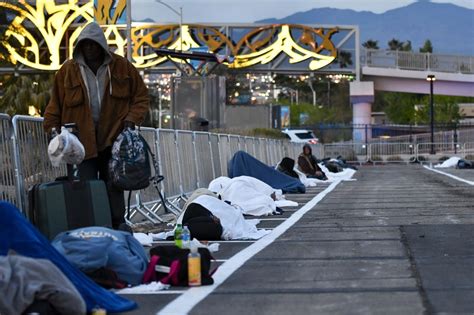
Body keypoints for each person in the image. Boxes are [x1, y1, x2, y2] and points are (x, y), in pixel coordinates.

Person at [43, 22, 150, 228]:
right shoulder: (68, 71)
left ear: (101, 46)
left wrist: (130, 120)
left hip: (114, 140)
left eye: (93, 45)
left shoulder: (122, 66)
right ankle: (89, 230)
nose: (90, 48)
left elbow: (141, 97)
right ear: (80, 47)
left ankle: (117, 226)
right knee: (83, 189)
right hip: (79, 144)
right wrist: (53, 130)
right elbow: (54, 104)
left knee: (114, 186)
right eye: (85, 45)